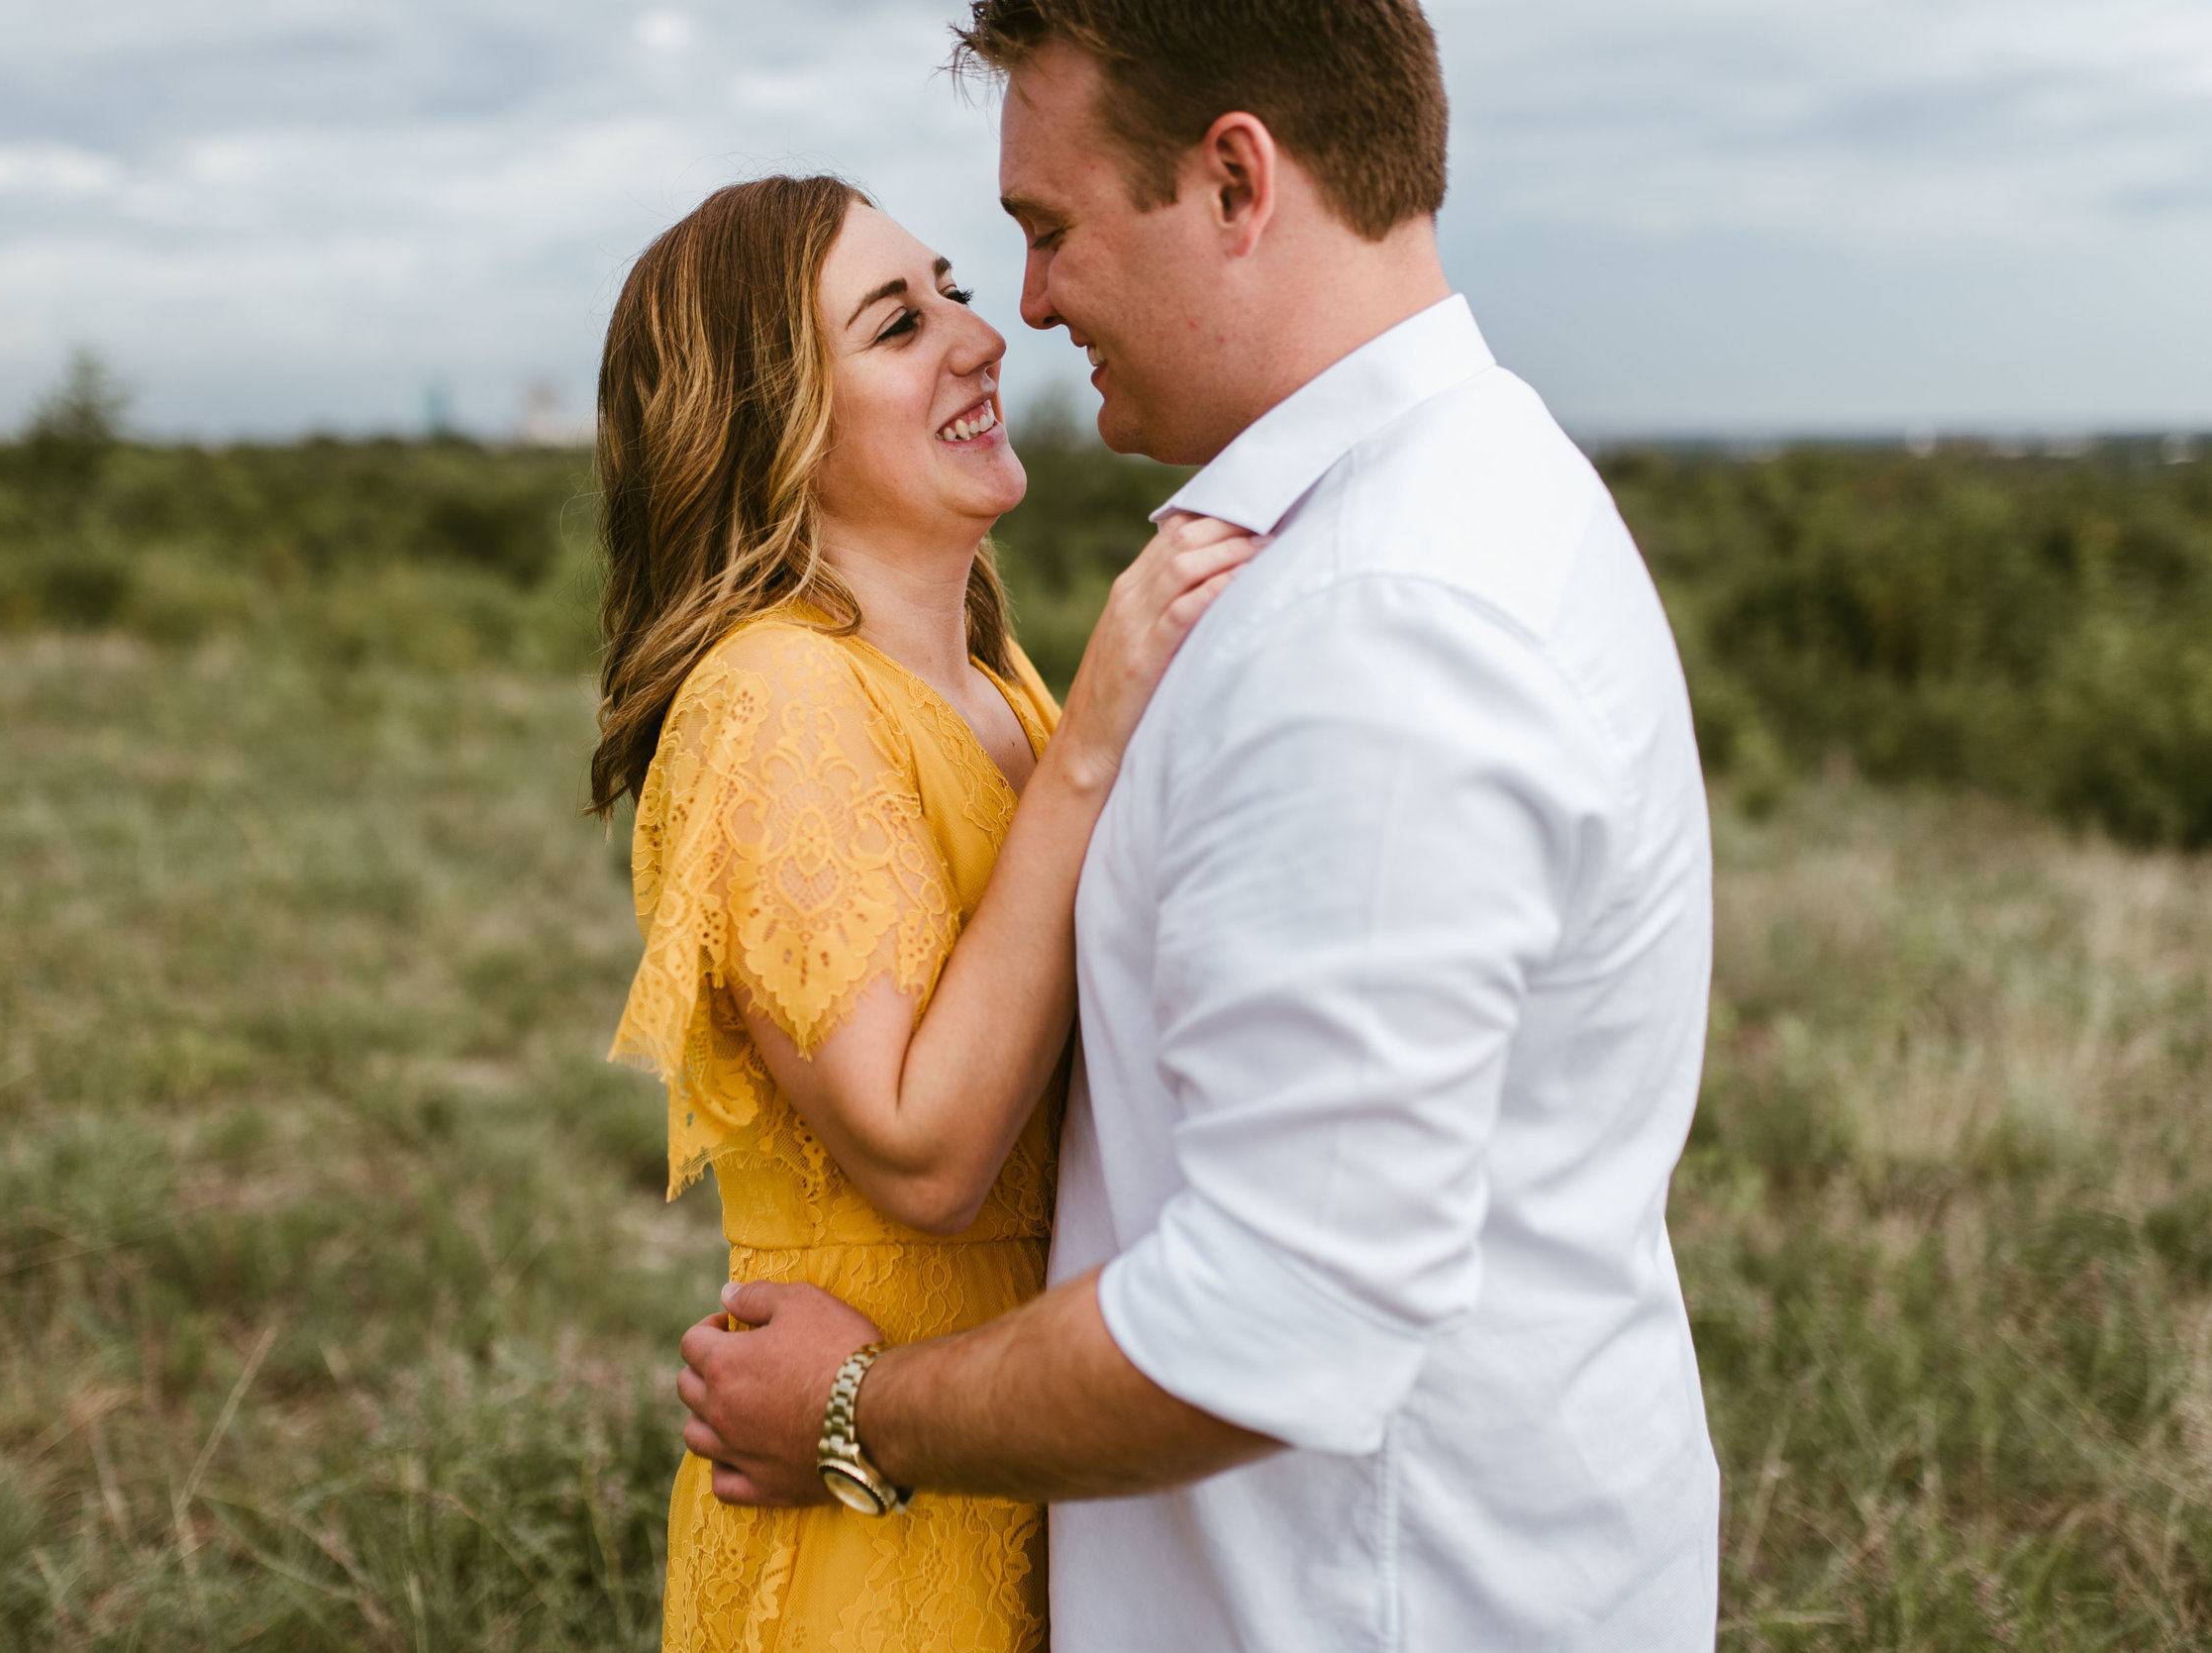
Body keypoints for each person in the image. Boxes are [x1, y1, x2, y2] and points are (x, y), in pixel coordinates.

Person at [671, 2, 1724, 1649]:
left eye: (1045, 231)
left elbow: (1280, 1312)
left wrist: (860, 1412)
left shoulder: (1380, 622)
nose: (1022, 306)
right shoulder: (1396, 524)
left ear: (1238, 182)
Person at [593, 174, 1255, 1650]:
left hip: (1017, 1444)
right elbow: (925, 1145)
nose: (982, 335)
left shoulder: (994, 685)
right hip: (859, 1513)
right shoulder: (772, 696)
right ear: (780, 427)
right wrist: (1097, 740)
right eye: (900, 322)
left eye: (951, 285)